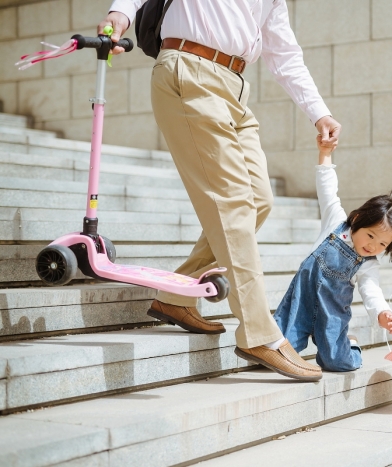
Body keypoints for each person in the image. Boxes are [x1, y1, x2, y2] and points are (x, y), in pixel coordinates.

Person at [99, 1, 342, 382]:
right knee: (233, 205)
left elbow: (285, 54)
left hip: (235, 86)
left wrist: (319, 112)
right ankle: (258, 333)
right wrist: (120, 15)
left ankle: (175, 296)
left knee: (259, 200)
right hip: (188, 70)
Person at [273, 134, 392, 372]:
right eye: (371, 236)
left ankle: (351, 345)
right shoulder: (335, 222)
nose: (373, 246)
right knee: (278, 351)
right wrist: (325, 153)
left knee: (337, 363)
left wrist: (382, 312)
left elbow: (371, 291)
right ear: (356, 219)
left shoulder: (368, 264)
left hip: (332, 314)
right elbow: (327, 188)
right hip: (301, 301)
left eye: (383, 245)